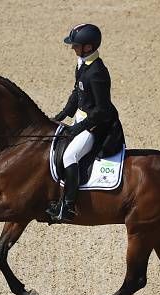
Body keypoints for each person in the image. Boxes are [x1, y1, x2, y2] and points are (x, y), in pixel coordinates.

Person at [48, 23, 122, 223]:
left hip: (97, 125)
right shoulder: (83, 64)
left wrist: (78, 128)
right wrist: (62, 115)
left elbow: (102, 110)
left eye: (76, 45)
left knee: (70, 156)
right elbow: (77, 92)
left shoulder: (97, 72)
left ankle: (68, 207)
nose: (73, 48)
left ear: (88, 47)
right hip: (83, 118)